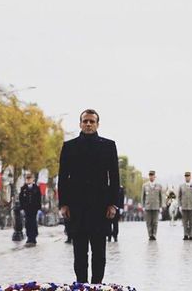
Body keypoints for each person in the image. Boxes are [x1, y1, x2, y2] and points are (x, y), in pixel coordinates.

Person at [58, 109, 120, 284]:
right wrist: (63, 204)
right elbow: (62, 177)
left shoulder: (108, 146)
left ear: (97, 124)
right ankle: (81, 285)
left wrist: (113, 204)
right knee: (79, 252)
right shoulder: (69, 147)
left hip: (101, 207)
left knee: (99, 252)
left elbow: (114, 177)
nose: (88, 124)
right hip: (77, 208)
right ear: (80, 124)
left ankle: (97, 285)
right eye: (85, 121)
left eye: (92, 121)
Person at [19, 172, 42, 247]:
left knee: (33, 222)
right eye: (27, 179)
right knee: (27, 223)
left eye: (30, 178)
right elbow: (21, 199)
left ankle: (33, 237)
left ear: (33, 179)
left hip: (34, 208)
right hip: (27, 209)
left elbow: (39, 198)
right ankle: (29, 237)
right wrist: (22, 208)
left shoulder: (36, 188)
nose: (28, 180)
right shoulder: (23, 188)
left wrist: (38, 208)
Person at [142, 170, 163, 240]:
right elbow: (143, 197)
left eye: (152, 175)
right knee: (148, 222)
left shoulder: (159, 186)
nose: (151, 177)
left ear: (155, 176)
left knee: (155, 222)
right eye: (150, 175)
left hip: (156, 206)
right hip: (148, 206)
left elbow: (161, 197)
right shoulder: (145, 185)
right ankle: (150, 234)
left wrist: (161, 206)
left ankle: (154, 234)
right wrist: (143, 206)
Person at [178, 171, 192, 240]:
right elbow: (179, 197)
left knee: (191, 222)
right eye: (186, 176)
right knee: (185, 222)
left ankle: (191, 235)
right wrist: (179, 205)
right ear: (185, 177)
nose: (187, 177)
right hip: (184, 206)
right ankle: (185, 235)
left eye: (188, 176)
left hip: (191, 206)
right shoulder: (181, 186)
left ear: (190, 177)